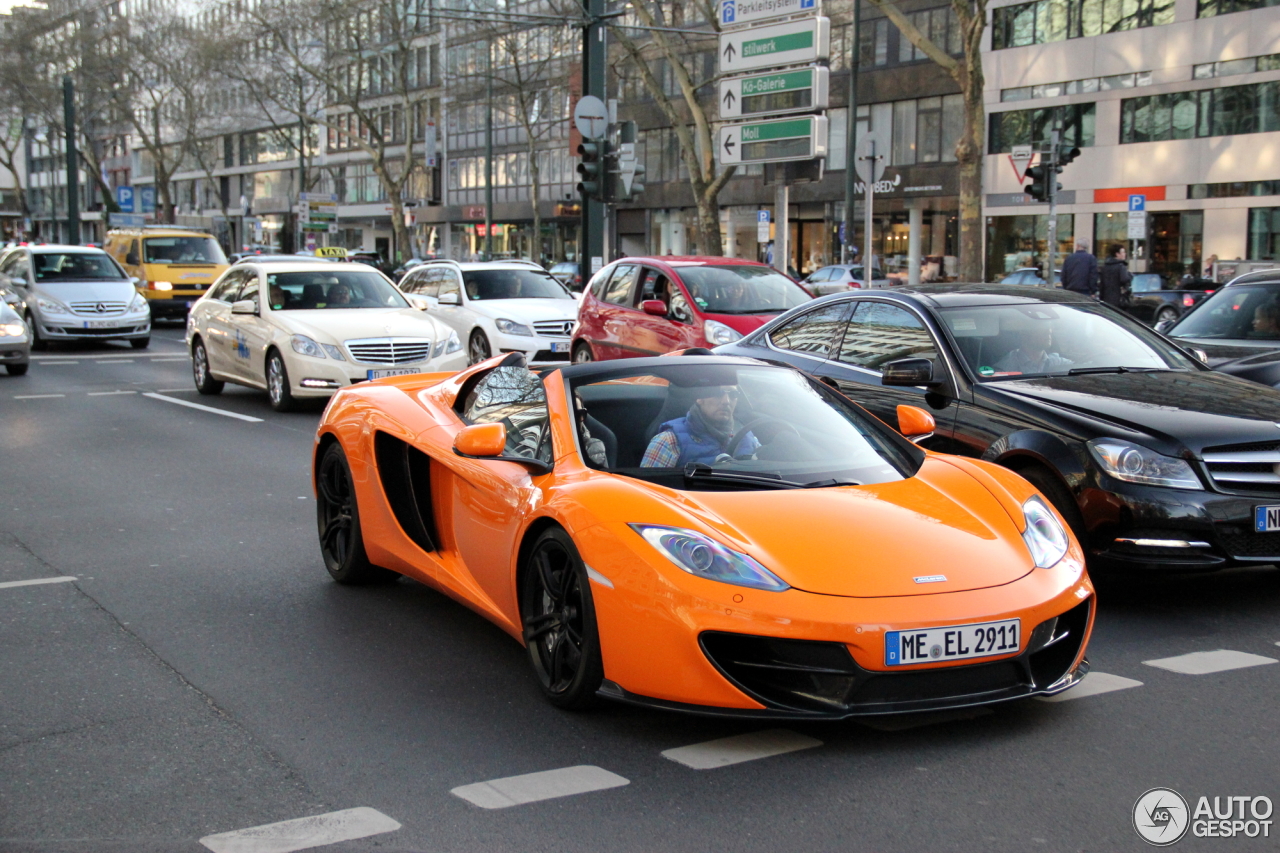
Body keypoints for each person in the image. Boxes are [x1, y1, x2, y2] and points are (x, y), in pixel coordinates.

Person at [641, 384, 761, 468]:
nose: (726, 401)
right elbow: (646, 495)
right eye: (718, 393)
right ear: (699, 398)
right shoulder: (669, 441)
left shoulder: (748, 437)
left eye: (733, 394)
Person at [994, 324, 1073, 375]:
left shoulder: (1057, 362)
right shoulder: (1005, 368)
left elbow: (1078, 367)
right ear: (1024, 334)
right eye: (1042, 326)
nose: (1049, 331)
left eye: (1049, 326)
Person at [1099, 244, 1133, 309]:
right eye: (1123, 252)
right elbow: (1124, 279)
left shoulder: (1105, 266)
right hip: (1118, 298)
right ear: (1117, 254)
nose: (1124, 254)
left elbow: (1102, 284)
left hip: (1106, 297)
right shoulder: (1121, 266)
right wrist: (1130, 275)